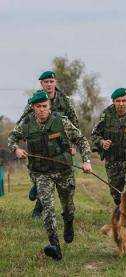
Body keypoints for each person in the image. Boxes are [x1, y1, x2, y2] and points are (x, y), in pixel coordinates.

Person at [8, 90, 92, 260]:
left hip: (63, 171)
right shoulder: (26, 123)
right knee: (48, 208)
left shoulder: (61, 121)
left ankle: (68, 223)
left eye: (44, 106)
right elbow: (12, 138)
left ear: (49, 106)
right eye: (38, 106)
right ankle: (55, 247)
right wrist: (16, 149)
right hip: (42, 173)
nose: (41, 109)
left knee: (68, 207)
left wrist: (86, 160)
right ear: (33, 108)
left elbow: (81, 140)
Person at [18, 70, 80, 219]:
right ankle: (36, 188)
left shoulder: (64, 100)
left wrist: (73, 145)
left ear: (55, 82)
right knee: (41, 174)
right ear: (42, 84)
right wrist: (24, 136)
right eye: (46, 82)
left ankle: (38, 210)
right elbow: (23, 119)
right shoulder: (36, 100)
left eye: (51, 81)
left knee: (56, 175)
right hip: (39, 143)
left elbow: (74, 123)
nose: (49, 84)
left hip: (59, 142)